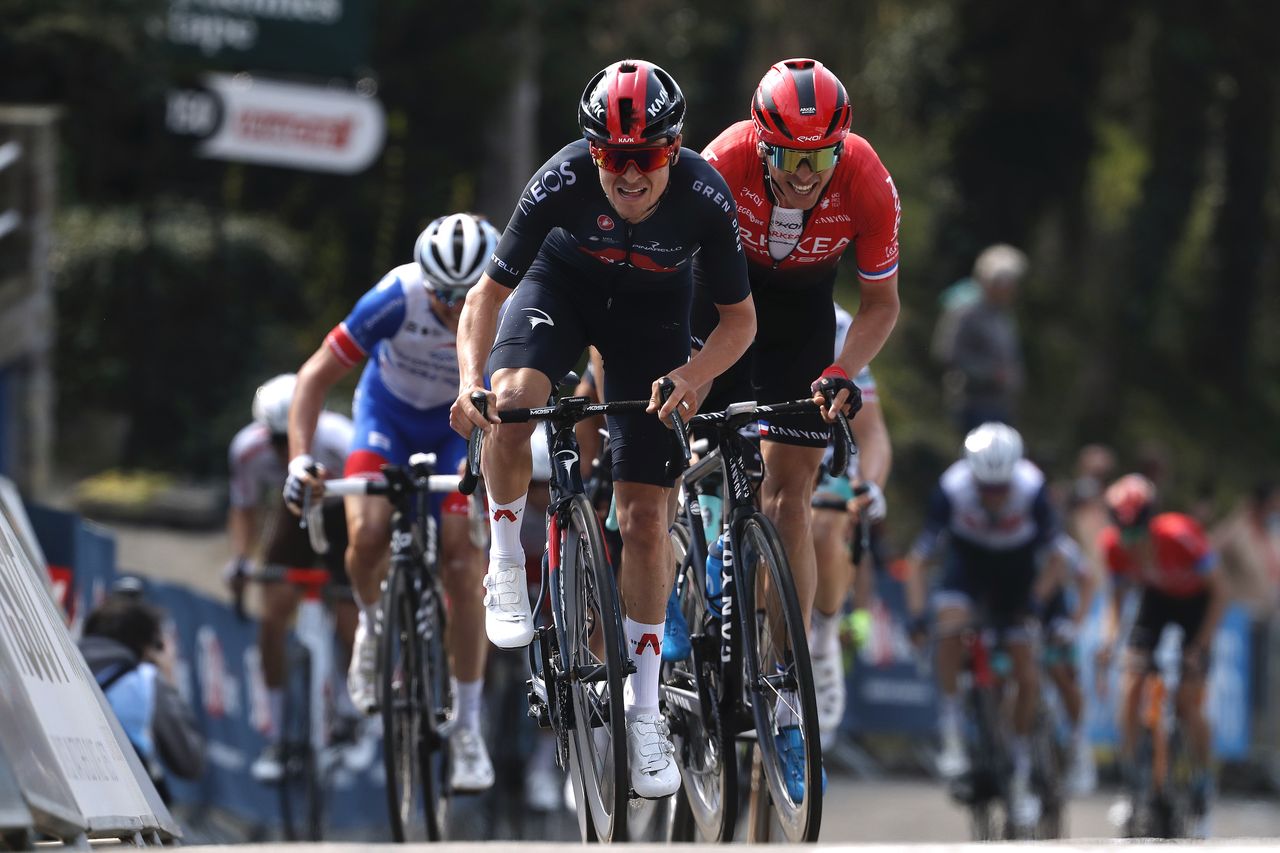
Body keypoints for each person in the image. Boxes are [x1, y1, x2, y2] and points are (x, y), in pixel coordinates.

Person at [449, 59, 756, 799]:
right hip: (561, 294)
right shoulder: (558, 180)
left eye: (646, 157)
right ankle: (506, 565)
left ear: (673, 148)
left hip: (654, 321)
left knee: (647, 517)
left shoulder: (705, 197)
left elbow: (740, 322)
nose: (628, 174)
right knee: (517, 395)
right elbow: (484, 300)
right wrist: (470, 383)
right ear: (592, 153)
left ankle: (645, 709)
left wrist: (693, 375)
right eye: (613, 158)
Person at [691, 57, 900, 793]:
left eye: (819, 156)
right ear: (760, 141)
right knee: (662, 456)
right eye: (789, 155)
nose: (805, 172)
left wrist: (843, 371)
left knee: (791, 497)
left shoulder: (867, 177)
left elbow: (880, 305)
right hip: (716, 304)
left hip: (803, 317)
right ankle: (679, 569)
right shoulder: (721, 162)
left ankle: (784, 686)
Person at [285, 213, 500, 793]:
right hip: (387, 420)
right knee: (368, 535)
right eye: (444, 297)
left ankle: (468, 729)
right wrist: (300, 459)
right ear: (424, 281)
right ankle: (373, 627)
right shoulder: (395, 296)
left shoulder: (507, 300)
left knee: (461, 563)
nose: (458, 310)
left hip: (457, 430)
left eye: (469, 297)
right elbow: (312, 378)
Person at [903, 422, 1064, 829]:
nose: (993, 497)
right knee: (949, 628)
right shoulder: (952, 488)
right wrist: (919, 614)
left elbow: (1058, 559)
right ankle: (954, 726)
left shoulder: (1032, 488)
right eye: (985, 488)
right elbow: (920, 560)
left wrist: (1036, 601)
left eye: (1000, 488)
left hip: (1016, 571)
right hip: (969, 567)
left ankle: (1023, 767)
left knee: (1026, 673)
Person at [224, 373, 356, 782]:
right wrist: (242, 560)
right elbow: (243, 508)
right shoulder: (247, 450)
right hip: (294, 511)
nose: (284, 450)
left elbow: (366, 513)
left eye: (291, 440)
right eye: (276, 441)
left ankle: (352, 710)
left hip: (343, 512)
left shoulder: (340, 439)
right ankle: (279, 734)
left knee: (352, 608)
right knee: (273, 612)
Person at [1096, 474, 1225, 837]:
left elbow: (1221, 592)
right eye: (1125, 536)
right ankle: (1131, 781)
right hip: (1155, 604)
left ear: (1150, 521)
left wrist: (1199, 647)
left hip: (1196, 606)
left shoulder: (1179, 535)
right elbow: (1116, 603)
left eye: (1138, 535)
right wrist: (1108, 643)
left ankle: (1202, 779)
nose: (1132, 544)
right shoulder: (1113, 546)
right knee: (1132, 682)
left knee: (1188, 701)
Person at [809, 301, 892, 744]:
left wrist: (872, 485)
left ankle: (821, 640)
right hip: (750, 439)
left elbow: (874, 433)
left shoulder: (839, 326)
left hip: (824, 457)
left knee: (823, 528)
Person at [79, 592, 205, 802]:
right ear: (149, 646)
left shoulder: (55, 662)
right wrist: (168, 679)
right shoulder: (146, 681)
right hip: (119, 808)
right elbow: (190, 761)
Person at [938, 244, 1027, 432]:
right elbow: (947, 353)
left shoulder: (1003, 315)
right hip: (972, 404)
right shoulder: (966, 312)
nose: (1011, 289)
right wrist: (991, 375)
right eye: (1005, 283)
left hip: (1001, 404)